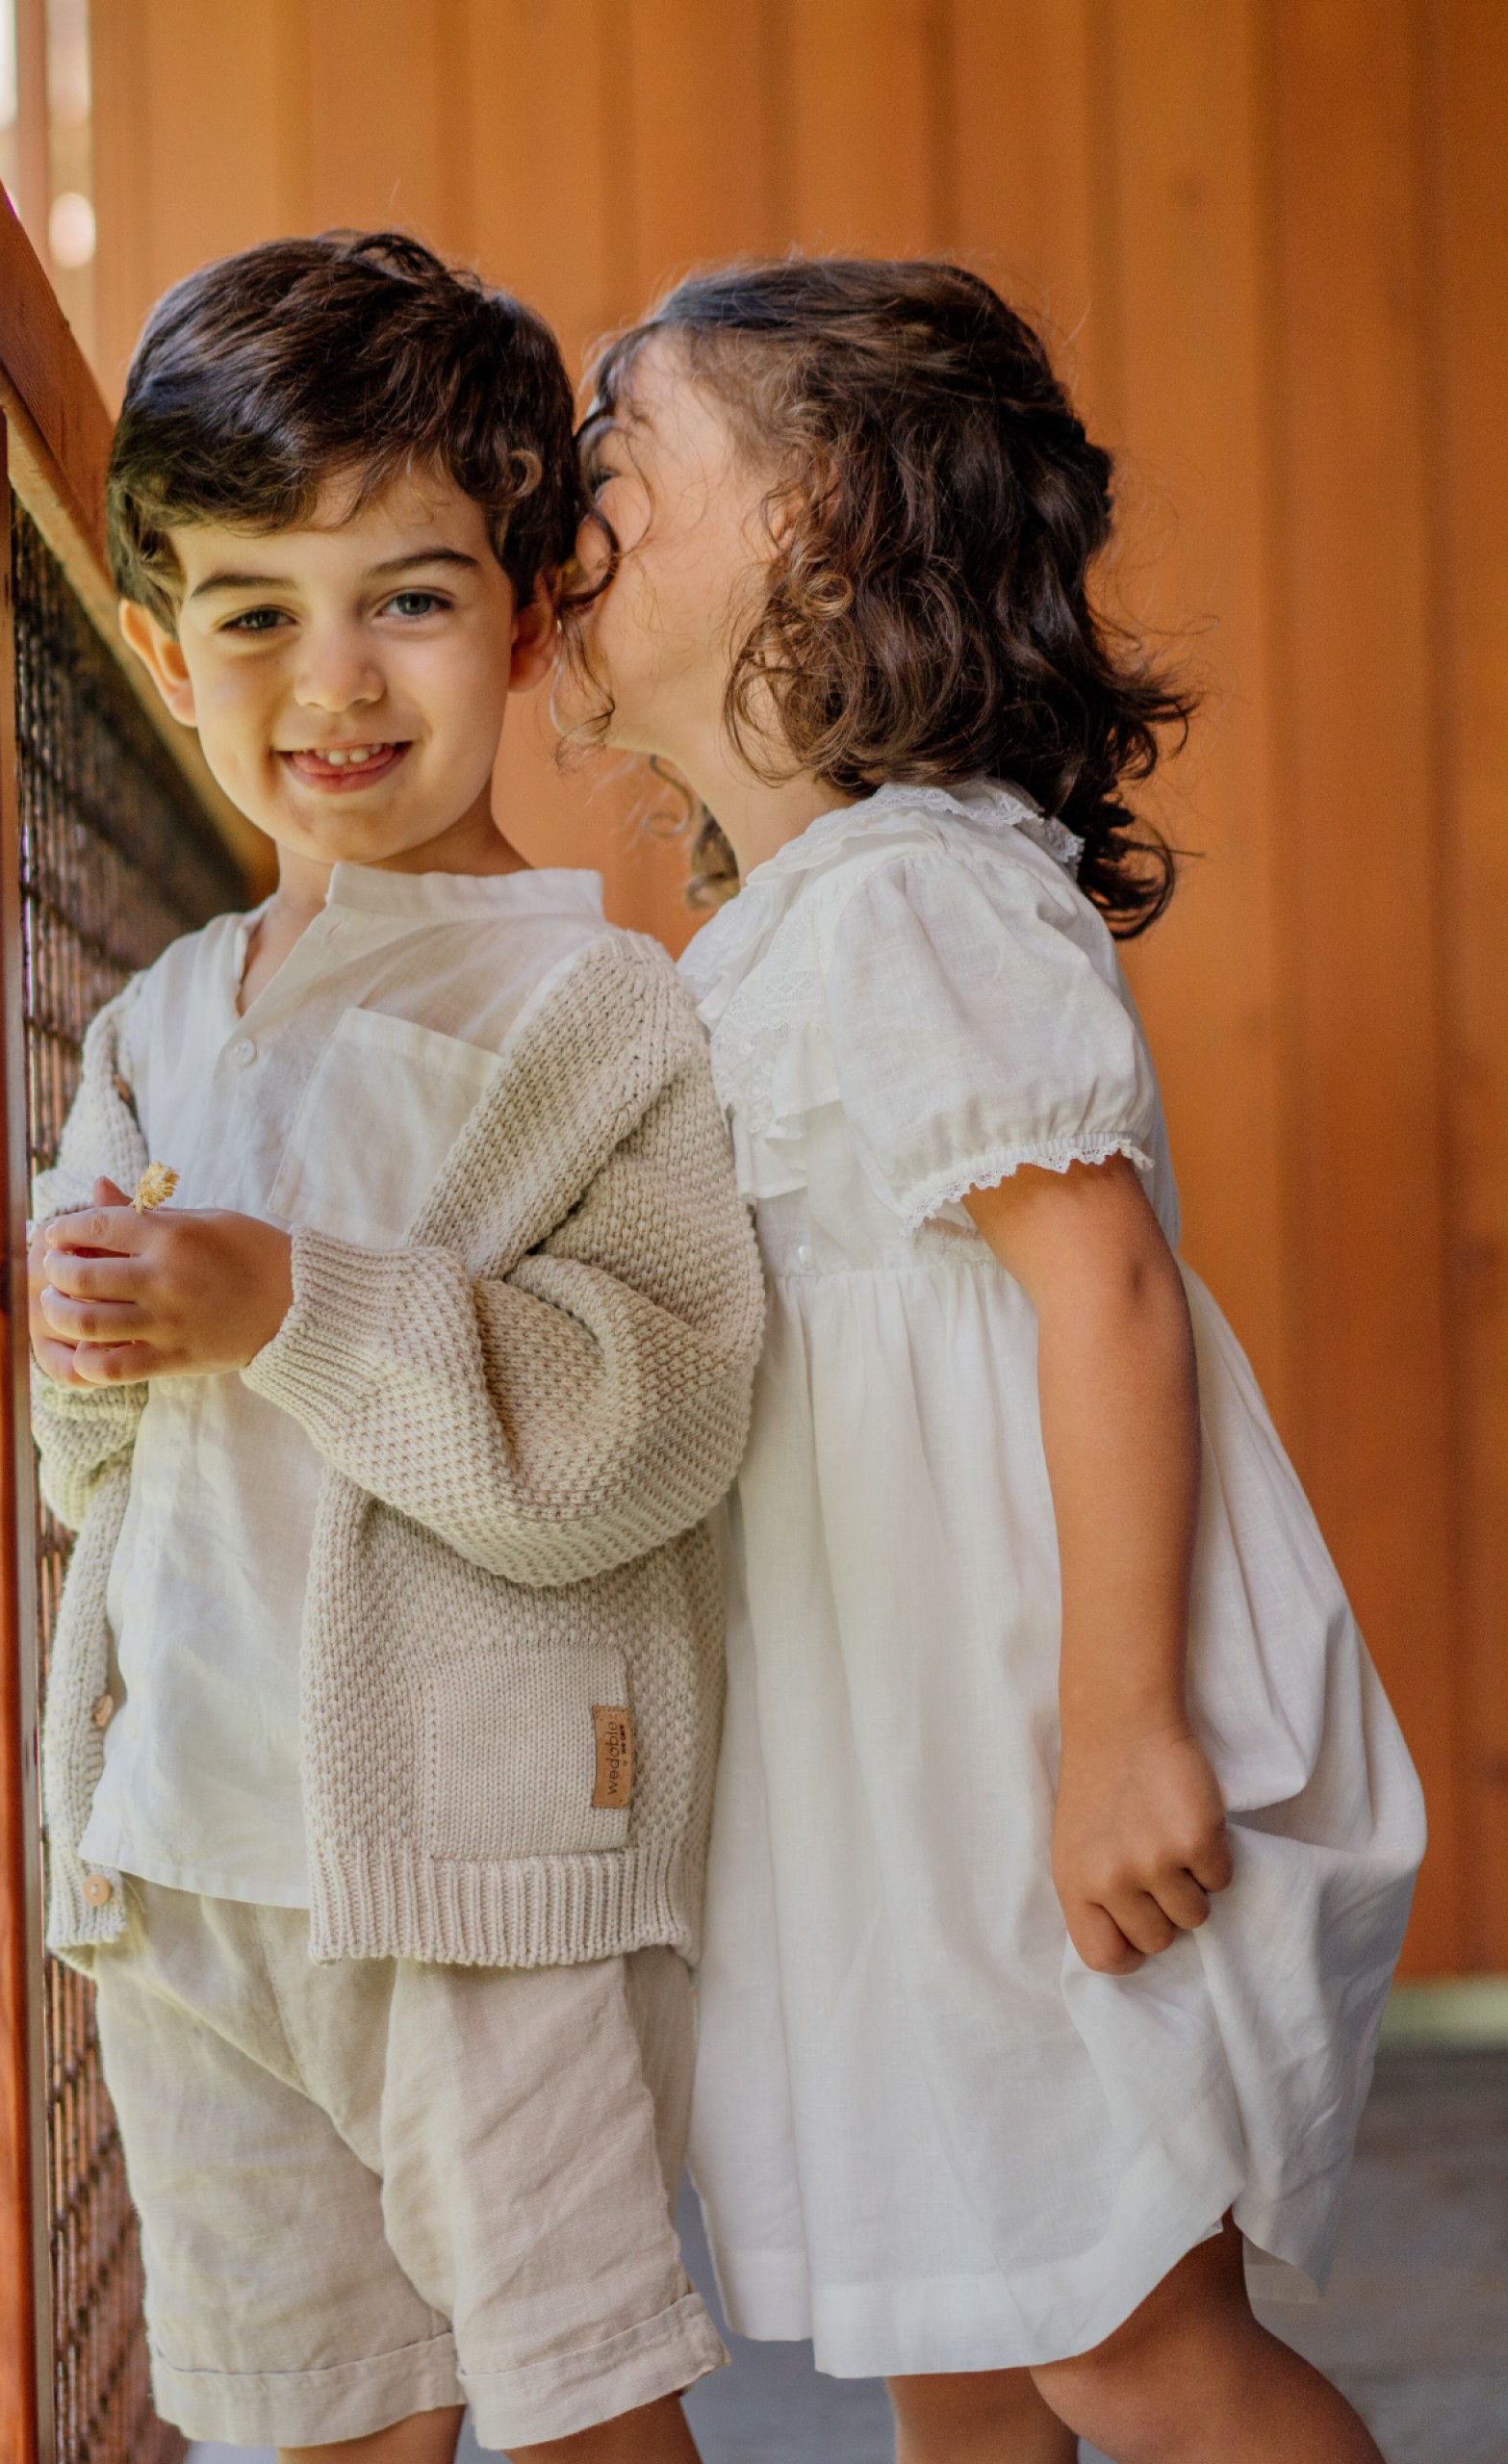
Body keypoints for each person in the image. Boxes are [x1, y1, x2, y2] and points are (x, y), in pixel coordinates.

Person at [555, 256, 1424, 2464]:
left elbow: (1103, 1287)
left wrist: (1123, 1729)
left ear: (813, 514)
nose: (570, 508)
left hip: (1022, 1733)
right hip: (898, 1773)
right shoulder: (778, 929)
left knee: (1127, 2337)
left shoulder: (910, 895)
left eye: (621, 453)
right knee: (967, 2328)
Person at [26, 231, 763, 2464]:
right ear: (163, 648)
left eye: (408, 599)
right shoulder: (157, 1022)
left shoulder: (590, 1008)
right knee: (325, 2416)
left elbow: (648, 1416)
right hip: (194, 1865)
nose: (329, 678)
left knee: (571, 2398)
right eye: (253, 610)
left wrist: (286, 1302)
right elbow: (102, 1475)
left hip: (488, 1878)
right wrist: (98, 1342)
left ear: (529, 621)